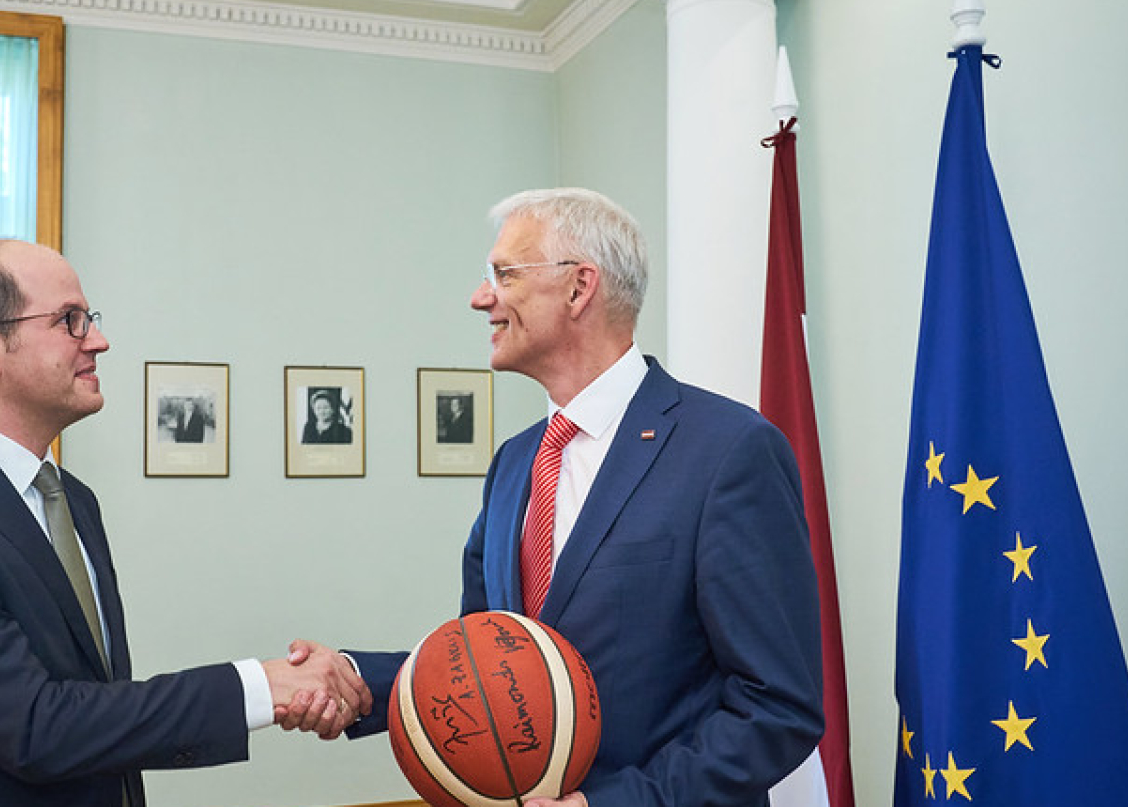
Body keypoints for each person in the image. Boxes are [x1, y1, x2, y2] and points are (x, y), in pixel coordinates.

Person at [285, 188, 823, 807]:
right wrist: (353, 680)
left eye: (503, 275)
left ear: (578, 288)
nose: (480, 297)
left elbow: (779, 706)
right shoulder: (514, 464)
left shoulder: (729, 451)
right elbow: (484, 664)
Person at [0, 239, 368, 807]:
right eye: (70, 320)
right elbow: (35, 728)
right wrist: (263, 685)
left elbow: (99, 711)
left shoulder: (72, 500)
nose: (98, 339)